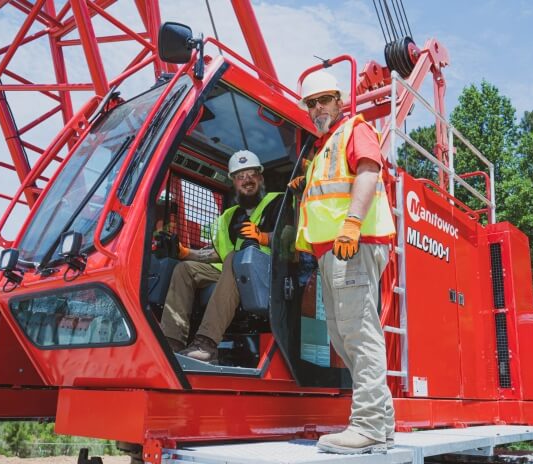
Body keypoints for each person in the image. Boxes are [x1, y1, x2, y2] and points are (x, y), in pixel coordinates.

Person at [292, 70, 396, 455]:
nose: (317, 108)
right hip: (331, 253)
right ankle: (381, 424)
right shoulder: (324, 146)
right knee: (342, 334)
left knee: (358, 331)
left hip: (351, 245)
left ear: (339, 100)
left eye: (324, 100)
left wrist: (352, 223)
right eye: (311, 103)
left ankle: (367, 424)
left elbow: (369, 171)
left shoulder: (355, 128)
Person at [160, 150, 282, 363]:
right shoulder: (229, 216)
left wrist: (263, 237)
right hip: (233, 272)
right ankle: (172, 341)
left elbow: (292, 238)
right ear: (234, 183)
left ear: (261, 178)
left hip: (268, 273)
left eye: (251, 174)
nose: (247, 180)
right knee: (184, 269)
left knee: (235, 257)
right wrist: (185, 253)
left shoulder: (278, 203)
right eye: (240, 176)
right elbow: (218, 252)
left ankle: (206, 343)